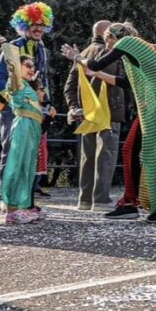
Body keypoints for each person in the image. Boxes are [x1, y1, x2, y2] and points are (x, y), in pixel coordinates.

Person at [63, 27, 156, 223]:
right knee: (137, 150)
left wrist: (77, 57)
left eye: (106, 42)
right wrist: (96, 73)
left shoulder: (125, 44)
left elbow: (95, 62)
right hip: (155, 104)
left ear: (111, 38)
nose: (107, 48)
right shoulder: (135, 47)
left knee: (153, 153)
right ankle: (134, 203)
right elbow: (126, 82)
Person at [0, 2, 54, 199]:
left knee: (29, 152)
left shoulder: (42, 50)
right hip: (14, 108)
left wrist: (46, 103)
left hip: (33, 109)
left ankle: (24, 198)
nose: (39, 28)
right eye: (34, 23)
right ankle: (6, 197)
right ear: (24, 25)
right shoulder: (11, 48)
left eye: (42, 24)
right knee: (11, 150)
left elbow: (41, 79)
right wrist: (15, 101)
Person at [64, 20, 124, 211]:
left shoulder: (83, 53)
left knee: (87, 156)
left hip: (87, 112)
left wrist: (74, 106)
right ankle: (101, 200)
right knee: (106, 155)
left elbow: (70, 84)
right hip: (109, 111)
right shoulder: (114, 53)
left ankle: (85, 199)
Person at [0, 54, 51, 224]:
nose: (32, 69)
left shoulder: (28, 85)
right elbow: (13, 68)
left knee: (28, 168)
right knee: (18, 165)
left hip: (33, 127)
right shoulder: (16, 82)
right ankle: (12, 209)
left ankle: (25, 206)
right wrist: (6, 46)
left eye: (33, 65)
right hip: (23, 126)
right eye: (27, 65)